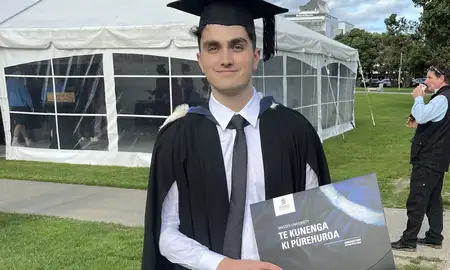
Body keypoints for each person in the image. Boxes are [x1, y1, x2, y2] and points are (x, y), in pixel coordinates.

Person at [141, 0, 332, 269]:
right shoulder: (177, 137)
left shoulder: (295, 132)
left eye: (237, 46)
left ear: (255, 57)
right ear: (200, 60)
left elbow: (319, 221)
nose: (226, 59)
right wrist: (223, 265)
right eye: (213, 47)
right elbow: (165, 233)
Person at [392, 64, 450, 252]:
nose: (426, 82)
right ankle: (434, 236)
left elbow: (423, 115)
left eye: (430, 78)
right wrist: (421, 126)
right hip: (438, 157)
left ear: (441, 79)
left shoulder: (442, 98)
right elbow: (438, 125)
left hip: (428, 158)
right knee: (433, 200)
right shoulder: (445, 98)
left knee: (417, 200)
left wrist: (418, 99)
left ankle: (408, 241)